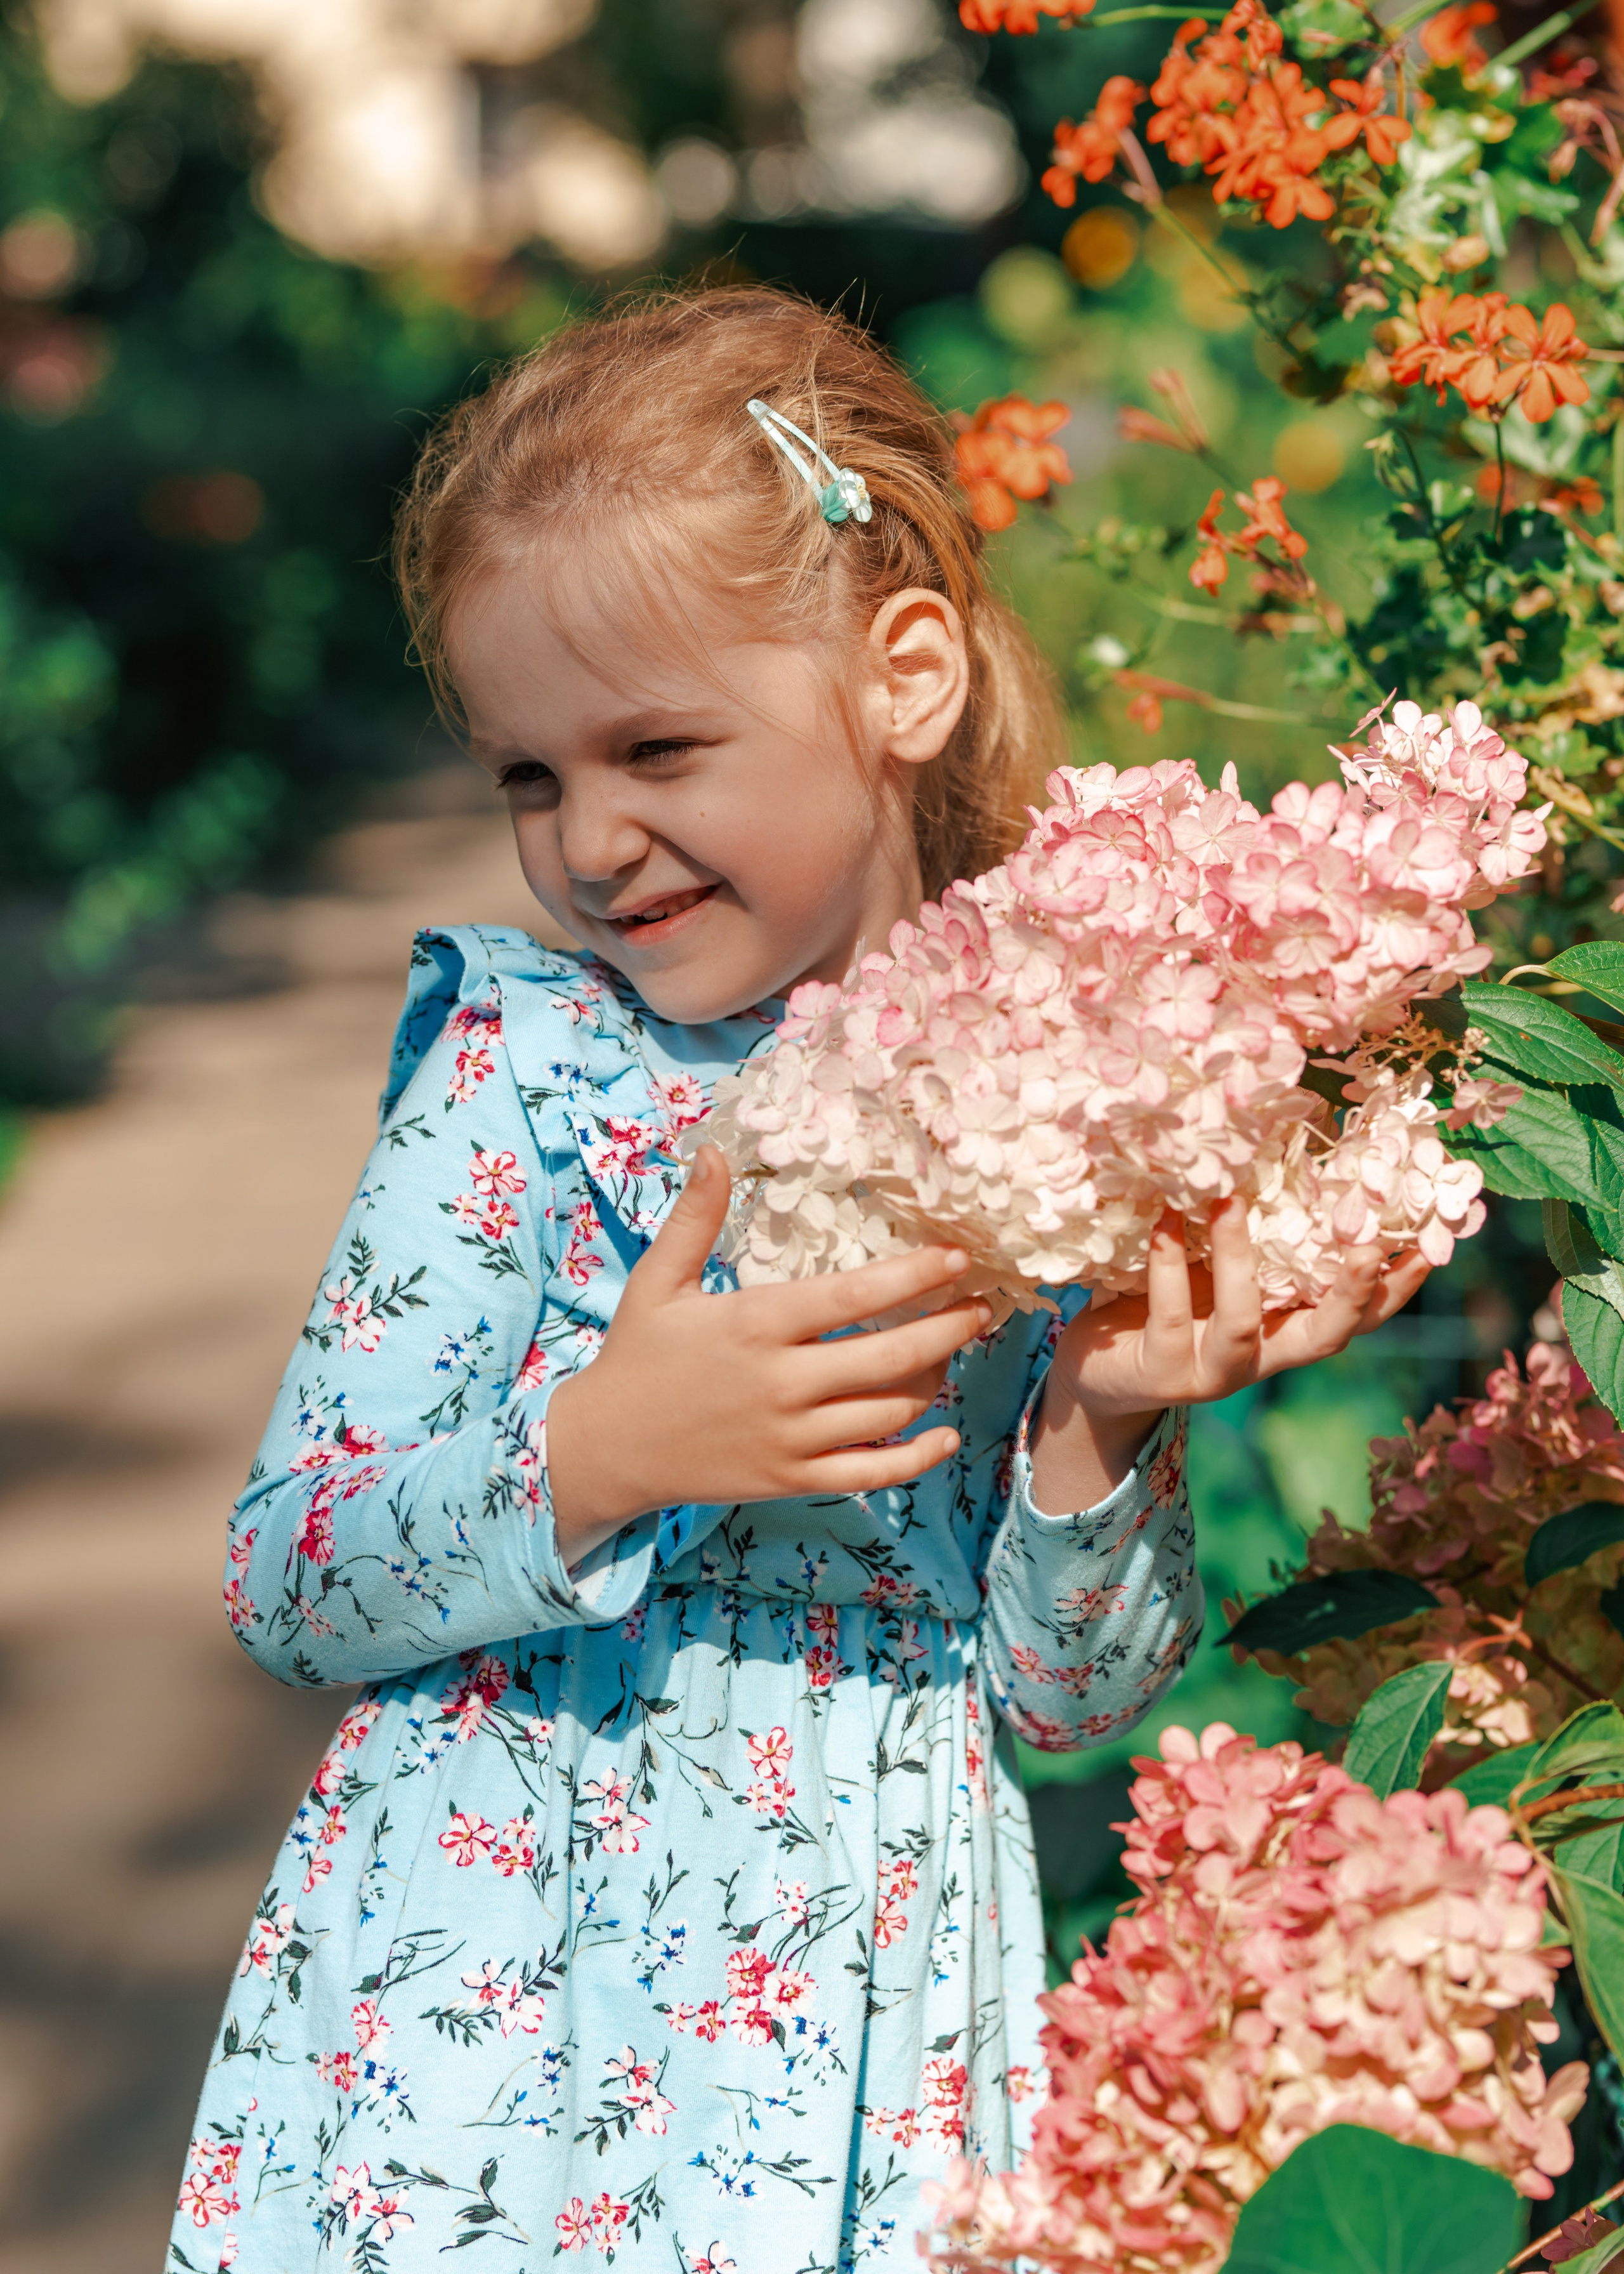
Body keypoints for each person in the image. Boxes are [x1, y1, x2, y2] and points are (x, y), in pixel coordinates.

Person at [167, 288, 1425, 2273]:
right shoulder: (523, 1076)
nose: (590, 839)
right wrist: (599, 1453)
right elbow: (292, 1573)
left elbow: (1064, 1690)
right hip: (494, 2028)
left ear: (901, 674)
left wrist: (1105, 1418)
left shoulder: (1069, 1078)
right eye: (525, 775)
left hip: (873, 1996)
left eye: (658, 746)